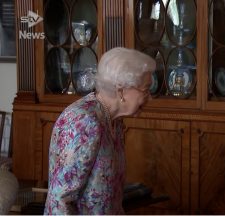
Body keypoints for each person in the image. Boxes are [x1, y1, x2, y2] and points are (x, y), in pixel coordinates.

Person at [44, 47, 156, 214]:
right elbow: (60, 200)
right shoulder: (84, 122)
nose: (150, 97)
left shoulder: (113, 120)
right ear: (121, 90)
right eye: (146, 90)